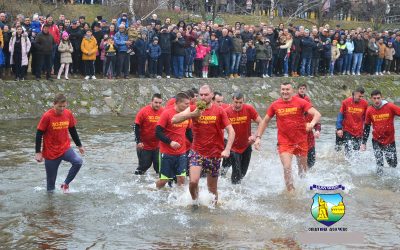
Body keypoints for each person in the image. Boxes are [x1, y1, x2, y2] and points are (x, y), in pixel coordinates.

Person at [172, 85, 235, 205]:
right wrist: (192, 114)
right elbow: (174, 119)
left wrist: (227, 149)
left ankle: (214, 209)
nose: (203, 97)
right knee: (193, 182)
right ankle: (195, 203)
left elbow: (231, 131)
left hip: (214, 154)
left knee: (212, 190)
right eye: (201, 95)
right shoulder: (193, 108)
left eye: (206, 95)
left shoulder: (219, 111)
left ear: (212, 95)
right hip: (197, 151)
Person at [254, 82, 321, 192]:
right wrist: (258, 137)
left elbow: (317, 114)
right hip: (284, 142)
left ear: (292, 91)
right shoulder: (275, 105)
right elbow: (265, 121)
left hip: (301, 141)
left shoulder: (301, 102)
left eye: (287, 89)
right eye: (283, 89)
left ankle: (303, 190)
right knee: (287, 167)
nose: (285, 92)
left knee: (303, 171)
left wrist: (312, 124)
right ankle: (291, 191)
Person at [35, 93, 85, 193]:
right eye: (59, 106)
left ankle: (65, 184)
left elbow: (72, 130)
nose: (62, 109)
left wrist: (79, 145)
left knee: (78, 161)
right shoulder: (47, 116)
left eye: (64, 106)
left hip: (65, 148)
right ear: (54, 104)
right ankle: (51, 207)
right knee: (50, 187)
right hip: (51, 153)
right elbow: (39, 133)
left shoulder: (68, 113)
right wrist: (38, 152)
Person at [155, 92, 192, 188]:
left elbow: (189, 133)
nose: (189, 106)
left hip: (181, 152)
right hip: (167, 152)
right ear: (178, 102)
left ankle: (179, 201)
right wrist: (170, 142)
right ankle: (154, 190)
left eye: (189, 103)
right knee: (164, 180)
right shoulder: (167, 113)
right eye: (186, 104)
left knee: (181, 178)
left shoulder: (187, 115)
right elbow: (158, 132)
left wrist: (197, 145)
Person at [224, 92, 262, 184]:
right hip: (233, 147)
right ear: (232, 100)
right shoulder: (226, 112)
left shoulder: (249, 109)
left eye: (240, 102)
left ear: (243, 101)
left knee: (242, 174)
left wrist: (255, 136)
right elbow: (219, 128)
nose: (238, 105)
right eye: (236, 102)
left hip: (246, 146)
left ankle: (233, 188)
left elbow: (261, 122)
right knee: (236, 174)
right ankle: (233, 193)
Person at [361, 90, 400, 175]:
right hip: (376, 141)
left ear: (381, 97)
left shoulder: (390, 106)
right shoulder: (369, 110)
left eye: (378, 98)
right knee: (379, 165)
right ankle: (379, 185)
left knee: (393, 165)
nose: (377, 100)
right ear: (371, 99)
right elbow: (367, 127)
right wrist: (363, 143)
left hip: (389, 141)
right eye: (374, 98)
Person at [134, 94, 164, 175]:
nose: (158, 105)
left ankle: (158, 186)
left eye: (159, 103)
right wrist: (138, 141)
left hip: (158, 145)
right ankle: (136, 183)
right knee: (144, 166)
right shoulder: (143, 111)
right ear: (151, 102)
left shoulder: (163, 111)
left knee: (159, 167)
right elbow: (136, 126)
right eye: (156, 102)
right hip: (144, 145)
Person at [335, 87, 368, 158]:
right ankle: (345, 165)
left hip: (358, 131)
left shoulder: (365, 104)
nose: (361, 98)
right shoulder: (345, 102)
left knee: (356, 152)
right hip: (347, 130)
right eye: (359, 96)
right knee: (346, 148)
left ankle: (354, 167)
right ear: (354, 94)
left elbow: (366, 119)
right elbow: (340, 116)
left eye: (362, 96)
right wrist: (339, 128)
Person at [295, 84, 321, 168]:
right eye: (300, 88)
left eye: (304, 89)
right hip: (299, 140)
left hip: (310, 140)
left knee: (312, 162)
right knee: (301, 163)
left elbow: (317, 122)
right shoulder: (295, 111)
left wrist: (317, 131)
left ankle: (308, 176)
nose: (302, 90)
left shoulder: (311, 112)